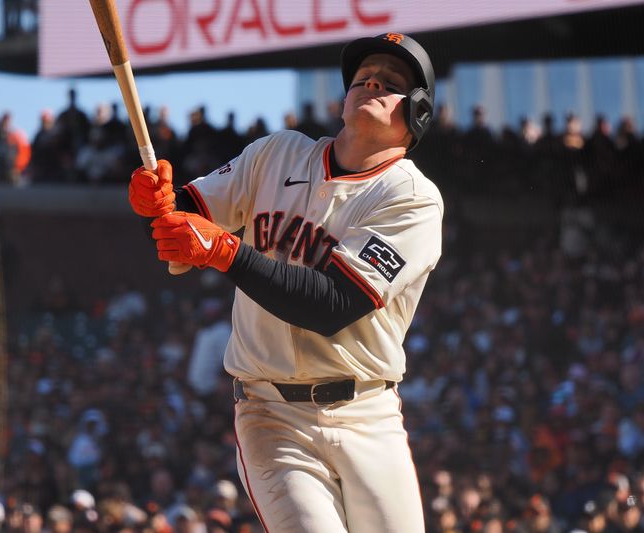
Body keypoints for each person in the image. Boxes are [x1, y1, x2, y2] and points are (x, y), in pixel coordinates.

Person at [127, 32, 442, 532]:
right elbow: (183, 224)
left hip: (369, 414)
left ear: (419, 112)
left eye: (391, 82)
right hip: (273, 416)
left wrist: (225, 251)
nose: (371, 82)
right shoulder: (277, 154)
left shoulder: (412, 198)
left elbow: (333, 304)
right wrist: (158, 203)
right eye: (362, 77)